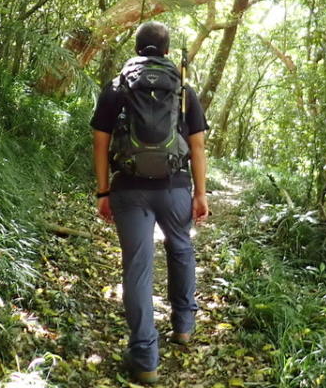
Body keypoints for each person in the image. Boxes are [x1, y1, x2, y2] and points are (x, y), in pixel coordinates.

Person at [91, 21, 209, 385]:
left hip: (129, 188)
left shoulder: (117, 86)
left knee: (138, 268)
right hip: (174, 187)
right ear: (168, 51)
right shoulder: (182, 88)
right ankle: (184, 326)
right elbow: (198, 145)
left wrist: (104, 191)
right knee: (181, 248)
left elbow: (100, 140)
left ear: (137, 48)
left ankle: (145, 359)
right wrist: (201, 193)